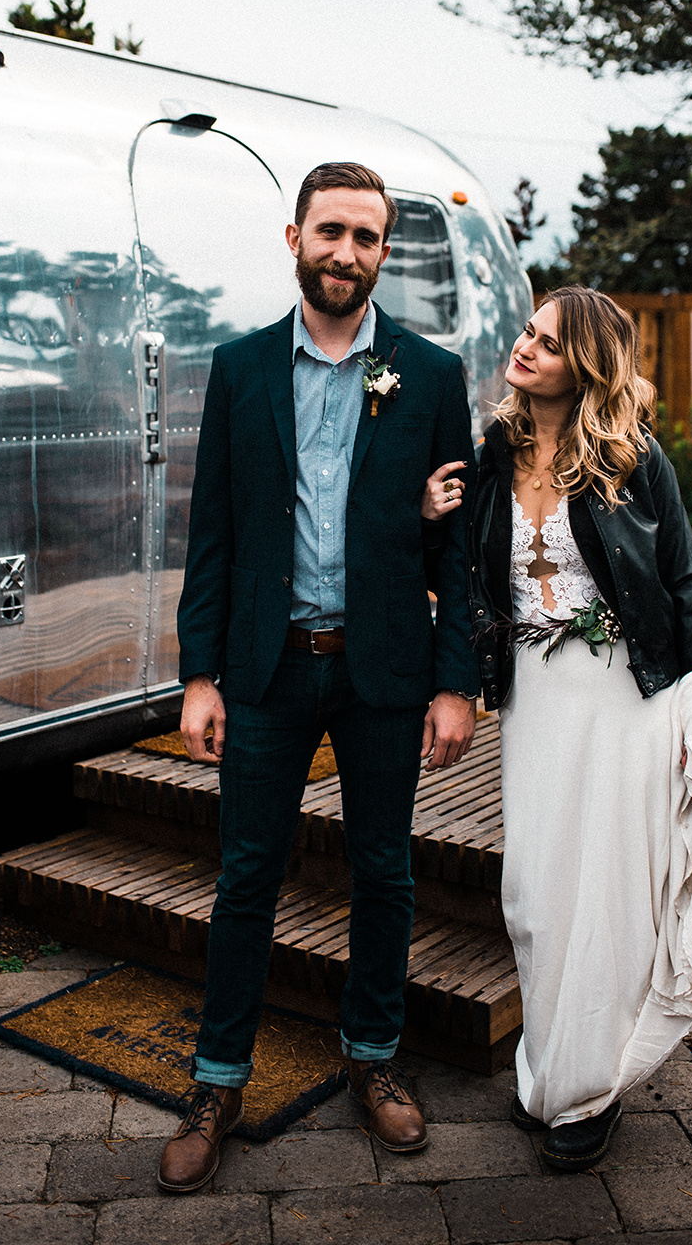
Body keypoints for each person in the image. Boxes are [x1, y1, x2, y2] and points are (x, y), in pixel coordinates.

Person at [159, 162, 481, 1193]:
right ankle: (216, 1082)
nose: (347, 252)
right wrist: (198, 672)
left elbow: (455, 553)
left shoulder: (428, 377)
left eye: (367, 237)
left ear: (385, 252)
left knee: (385, 875)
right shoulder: (241, 368)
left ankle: (374, 1059)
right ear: (293, 236)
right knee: (247, 876)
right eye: (330, 231)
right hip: (265, 670)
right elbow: (211, 534)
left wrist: (455, 682)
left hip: (385, 670)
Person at [428, 285, 692, 1174]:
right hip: (534, 700)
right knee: (537, 893)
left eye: (548, 342)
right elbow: (462, 575)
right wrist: (433, 516)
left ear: (587, 366)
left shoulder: (633, 457)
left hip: (626, 697)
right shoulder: (492, 452)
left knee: (608, 894)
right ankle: (548, 1064)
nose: (525, 347)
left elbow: (684, 584)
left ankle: (586, 1089)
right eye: (528, 332)